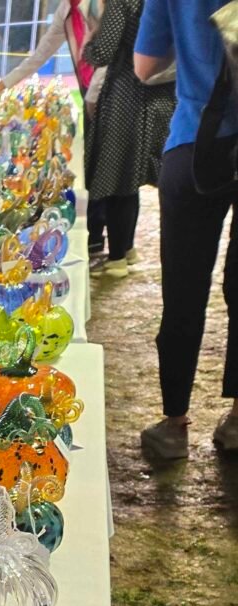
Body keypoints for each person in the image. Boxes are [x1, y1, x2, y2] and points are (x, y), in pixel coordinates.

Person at [136, 0, 238, 459]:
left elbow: (144, 67)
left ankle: (175, 424)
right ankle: (237, 418)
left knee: (183, 288)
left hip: (196, 138)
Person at [0, 2, 109, 263]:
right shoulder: (66, 11)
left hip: (107, 90)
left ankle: (114, 247)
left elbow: (109, 54)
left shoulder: (98, 6)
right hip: (89, 89)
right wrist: (3, 84)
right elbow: (41, 54)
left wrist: (92, 98)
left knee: (107, 167)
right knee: (93, 166)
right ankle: (99, 242)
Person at [79, 1, 173, 282]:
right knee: (133, 176)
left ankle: (117, 256)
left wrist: (88, 45)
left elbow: (104, 51)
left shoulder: (122, 1)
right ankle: (128, 248)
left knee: (116, 177)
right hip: (166, 95)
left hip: (127, 96)